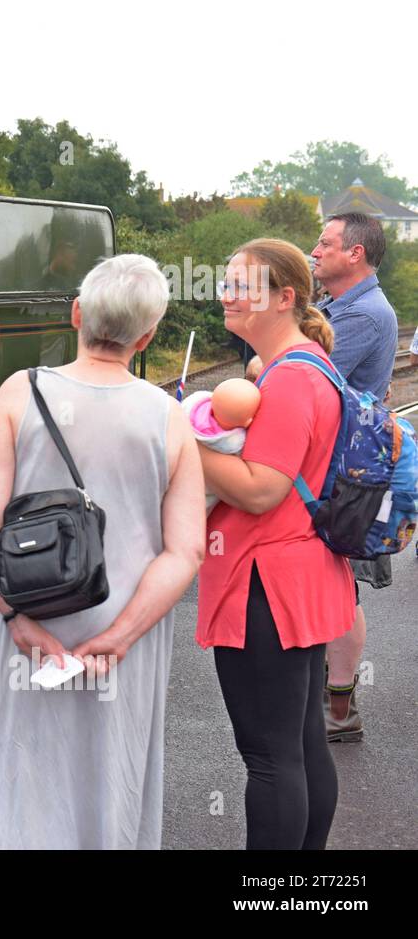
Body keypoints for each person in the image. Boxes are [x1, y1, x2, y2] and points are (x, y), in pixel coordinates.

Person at [0, 254, 205, 849]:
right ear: (148, 335)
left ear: (78, 313)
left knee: (17, 763)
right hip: (126, 619)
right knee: (108, 769)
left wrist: (15, 617)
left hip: (30, 609)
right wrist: (123, 635)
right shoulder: (169, 416)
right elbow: (184, 551)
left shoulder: (20, 392)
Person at [198, 238, 354, 849]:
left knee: (269, 757)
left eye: (241, 286)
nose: (225, 296)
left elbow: (261, 491)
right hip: (301, 577)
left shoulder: (290, 378)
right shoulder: (309, 362)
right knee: (300, 743)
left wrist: (183, 442)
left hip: (268, 585)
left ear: (285, 297)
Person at [311, 212, 398, 742]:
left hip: (349, 472)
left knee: (342, 586)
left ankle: (340, 709)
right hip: (344, 465)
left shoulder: (362, 315)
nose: (314, 251)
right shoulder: (341, 307)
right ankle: (333, 696)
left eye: (325, 243)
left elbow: (305, 372)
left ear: (355, 254)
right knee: (334, 582)